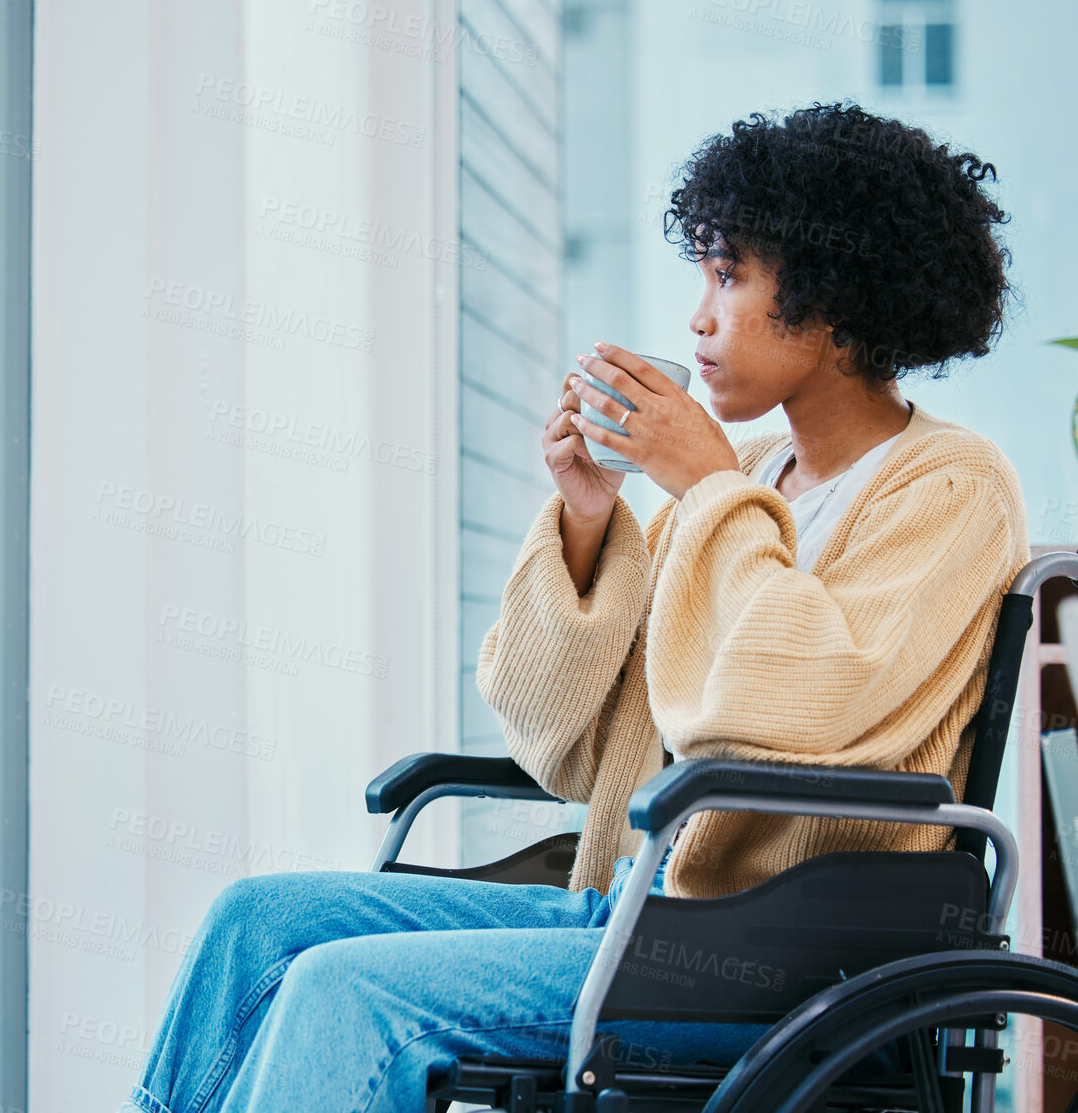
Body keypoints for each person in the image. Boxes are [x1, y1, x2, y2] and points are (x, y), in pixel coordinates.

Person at [118, 103, 1029, 1113]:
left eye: (728, 277)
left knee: (349, 989)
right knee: (254, 924)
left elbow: (791, 704)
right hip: (637, 917)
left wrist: (706, 488)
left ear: (830, 303)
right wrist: (590, 518)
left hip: (772, 956)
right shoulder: (756, 487)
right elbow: (569, 749)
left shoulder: (948, 490)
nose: (698, 317)